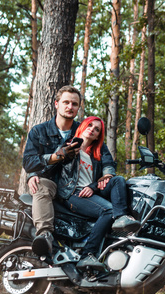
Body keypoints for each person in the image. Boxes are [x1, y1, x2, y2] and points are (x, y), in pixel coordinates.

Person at [22, 86, 136, 257]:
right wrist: (42, 167)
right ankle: (45, 235)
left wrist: (107, 175)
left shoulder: (82, 129)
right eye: (66, 102)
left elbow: (105, 158)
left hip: (80, 187)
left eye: (74, 104)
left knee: (119, 182)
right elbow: (29, 161)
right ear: (56, 104)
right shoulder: (40, 131)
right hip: (53, 182)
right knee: (41, 185)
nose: (70, 107)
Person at [57, 116, 140, 270]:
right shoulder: (69, 145)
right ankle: (87, 255)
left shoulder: (98, 151)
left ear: (98, 135)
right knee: (108, 210)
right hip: (73, 194)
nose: (92, 130)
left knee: (118, 180)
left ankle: (121, 217)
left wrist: (97, 184)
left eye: (97, 129)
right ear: (82, 126)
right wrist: (68, 151)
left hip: (91, 191)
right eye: (90, 126)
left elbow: (109, 166)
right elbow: (58, 159)